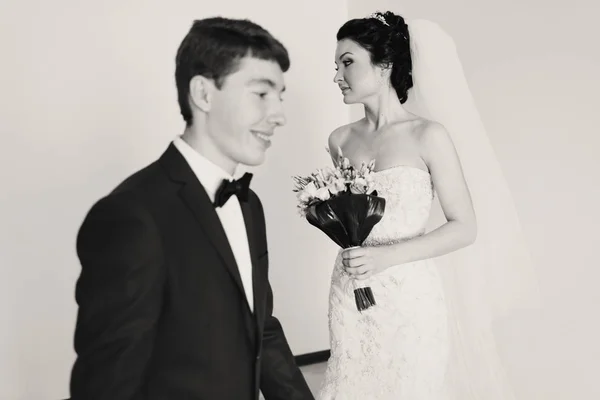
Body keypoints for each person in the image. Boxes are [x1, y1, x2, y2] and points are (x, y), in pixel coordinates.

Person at [69, 17, 314, 400]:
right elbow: (106, 387)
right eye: (262, 94)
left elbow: (261, 329)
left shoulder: (250, 205)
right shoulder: (131, 216)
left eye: (280, 96)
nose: (279, 114)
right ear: (203, 94)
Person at [318, 11, 539, 399]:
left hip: (409, 298)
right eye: (336, 66)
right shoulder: (339, 140)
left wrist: (387, 258)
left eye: (347, 62)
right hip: (351, 291)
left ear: (384, 64)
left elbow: (464, 226)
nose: (337, 75)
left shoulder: (428, 135)